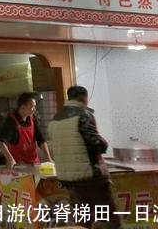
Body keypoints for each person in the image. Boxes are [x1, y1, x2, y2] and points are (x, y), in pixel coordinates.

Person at [48, 86, 122, 229]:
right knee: (109, 219)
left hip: (69, 179)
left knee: (83, 220)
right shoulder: (84, 115)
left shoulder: (55, 119)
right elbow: (96, 144)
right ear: (84, 98)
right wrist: (104, 142)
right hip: (90, 177)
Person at [0, 92, 52, 167]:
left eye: (35, 106)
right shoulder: (11, 121)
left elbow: (41, 139)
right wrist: (10, 159)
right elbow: (1, 142)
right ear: (23, 107)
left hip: (34, 163)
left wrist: (48, 157)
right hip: (19, 165)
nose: (34, 110)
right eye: (32, 107)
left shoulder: (32, 118)